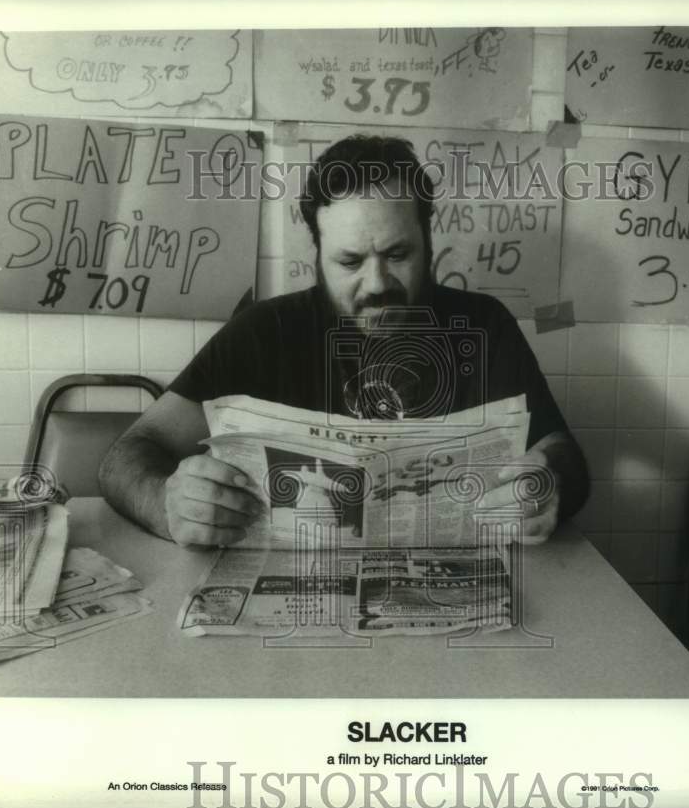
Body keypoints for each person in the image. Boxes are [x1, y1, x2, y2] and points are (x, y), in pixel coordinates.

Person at [99, 135, 589, 548]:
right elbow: (128, 454)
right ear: (317, 254)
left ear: (429, 241)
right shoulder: (261, 331)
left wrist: (550, 483)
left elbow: (560, 449)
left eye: (398, 254)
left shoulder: (484, 326)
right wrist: (168, 504)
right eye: (350, 262)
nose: (377, 284)